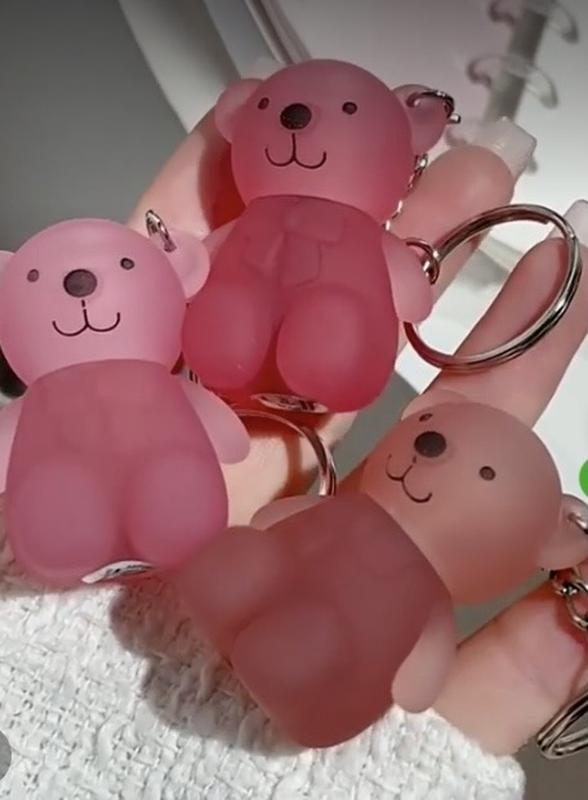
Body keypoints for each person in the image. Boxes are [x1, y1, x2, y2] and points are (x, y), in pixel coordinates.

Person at [2, 110, 586, 798]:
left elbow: (415, 657)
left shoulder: (418, 583)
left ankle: (281, 635)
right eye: (432, 439)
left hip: (315, 647)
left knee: (271, 590)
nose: (428, 457)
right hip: (171, 494)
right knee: (208, 533)